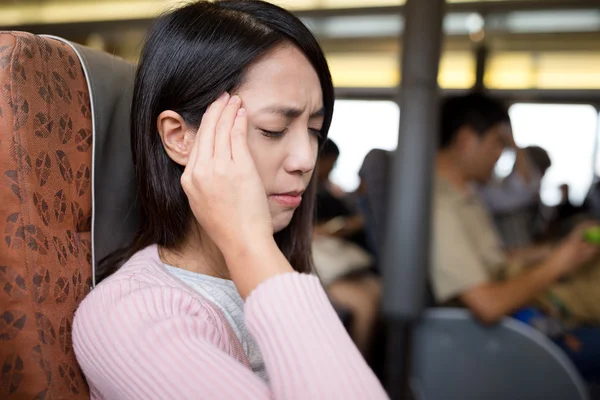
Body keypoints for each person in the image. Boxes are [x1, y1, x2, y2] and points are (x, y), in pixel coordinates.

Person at [71, 2, 388, 399]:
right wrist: (249, 242)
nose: (306, 159)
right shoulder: (132, 316)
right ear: (179, 137)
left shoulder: (272, 272)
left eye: (314, 129)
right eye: (274, 129)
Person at [432, 92, 600, 381]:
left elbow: (493, 259)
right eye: (498, 141)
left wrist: (556, 251)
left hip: (515, 314)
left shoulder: (467, 196)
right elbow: (487, 305)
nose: (502, 153)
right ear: (466, 139)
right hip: (495, 336)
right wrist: (557, 264)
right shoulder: (440, 205)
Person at [312, 139, 381, 356]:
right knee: (365, 305)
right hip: (318, 267)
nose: (331, 170)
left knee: (378, 289)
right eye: (330, 165)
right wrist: (345, 226)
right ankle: (355, 365)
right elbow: (313, 231)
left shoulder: (327, 193)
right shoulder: (307, 195)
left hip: (339, 265)